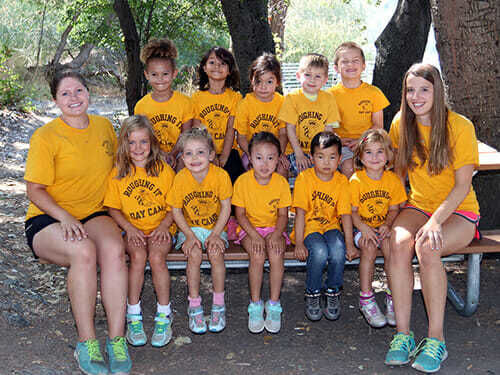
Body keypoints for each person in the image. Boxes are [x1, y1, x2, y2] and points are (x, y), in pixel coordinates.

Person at [24, 70, 131, 375]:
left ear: (89, 93)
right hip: (49, 217)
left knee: (113, 249)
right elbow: (34, 190)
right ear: (55, 100)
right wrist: (65, 217)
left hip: (94, 213)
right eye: (65, 94)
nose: (74, 98)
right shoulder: (45, 137)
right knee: (83, 252)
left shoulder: (103, 127)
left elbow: (120, 171)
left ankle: (117, 338)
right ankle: (87, 342)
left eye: (79, 91)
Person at [384, 63, 481, 373]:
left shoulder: (460, 126)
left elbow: (463, 185)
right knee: (397, 243)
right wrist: (391, 214)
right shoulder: (401, 123)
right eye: (410, 90)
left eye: (424, 89)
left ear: (437, 90)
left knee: (428, 247)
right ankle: (403, 336)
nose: (416, 96)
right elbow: (397, 174)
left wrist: (436, 221)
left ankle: (436, 339)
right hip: (418, 206)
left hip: (459, 211)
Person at [104, 115, 176, 348]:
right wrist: (129, 229)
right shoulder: (118, 173)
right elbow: (113, 209)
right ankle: (133, 314)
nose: (138, 148)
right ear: (124, 144)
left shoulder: (163, 170)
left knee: (156, 257)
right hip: (131, 230)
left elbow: (175, 207)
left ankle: (164, 314)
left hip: (162, 227)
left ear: (152, 143)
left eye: (143, 142)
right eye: (132, 142)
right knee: (137, 257)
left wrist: (164, 226)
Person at [166, 128, 232, 334]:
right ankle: (194, 304)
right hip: (190, 229)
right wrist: (188, 236)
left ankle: (218, 304)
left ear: (212, 155)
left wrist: (215, 234)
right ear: (182, 157)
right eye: (188, 153)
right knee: (193, 255)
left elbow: (226, 208)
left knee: (215, 253)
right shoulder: (180, 178)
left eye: (200, 152)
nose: (195, 158)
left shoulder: (220, 176)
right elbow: (176, 211)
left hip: (215, 228)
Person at [292, 131, 356, 322]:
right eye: (320, 157)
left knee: (337, 250)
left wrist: (350, 244)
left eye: (332, 157)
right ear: (312, 158)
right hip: (310, 228)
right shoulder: (304, 179)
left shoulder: (342, 181)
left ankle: (333, 291)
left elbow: (345, 215)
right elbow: (301, 214)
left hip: (331, 226)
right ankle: (312, 293)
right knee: (319, 252)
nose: (326, 162)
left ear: (339, 159)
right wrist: (298, 243)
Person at [232, 132, 292, 334]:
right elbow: (239, 214)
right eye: (258, 158)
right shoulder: (242, 182)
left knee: (276, 254)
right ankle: (255, 304)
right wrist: (255, 235)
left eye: (270, 158)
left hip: (274, 229)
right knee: (257, 255)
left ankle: (274, 304)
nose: (264, 164)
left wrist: (276, 234)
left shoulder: (281, 183)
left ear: (278, 159)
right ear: (249, 157)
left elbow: (283, 215)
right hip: (250, 229)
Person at [350, 129, 406, 328]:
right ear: (360, 157)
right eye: (369, 152)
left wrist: (386, 225)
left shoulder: (392, 180)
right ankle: (366, 298)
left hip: (381, 228)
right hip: (361, 228)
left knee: (391, 248)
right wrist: (364, 228)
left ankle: (393, 296)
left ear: (389, 155)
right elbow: (352, 213)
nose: (374, 157)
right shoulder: (356, 181)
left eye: (380, 152)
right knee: (369, 247)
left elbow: (394, 209)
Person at [329, 42, 390, 179]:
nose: (350, 65)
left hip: (369, 141)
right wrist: (338, 140)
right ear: (336, 68)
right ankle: (352, 200)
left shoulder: (374, 93)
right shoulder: (330, 96)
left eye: (355, 61)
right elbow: (327, 127)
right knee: (349, 167)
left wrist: (361, 140)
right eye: (345, 62)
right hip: (342, 145)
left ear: (363, 65)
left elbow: (378, 126)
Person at [278, 53, 340, 184]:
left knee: (324, 173)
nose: (312, 80)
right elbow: (290, 129)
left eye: (318, 76)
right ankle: (283, 202)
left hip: (320, 151)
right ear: (298, 76)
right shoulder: (292, 98)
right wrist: (299, 154)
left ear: (325, 80)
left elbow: (328, 132)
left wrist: (322, 156)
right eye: (307, 75)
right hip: (295, 150)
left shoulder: (329, 99)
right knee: (281, 168)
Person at [134, 38, 193, 171]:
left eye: (165, 74)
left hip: (179, 152)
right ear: (146, 75)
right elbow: (142, 137)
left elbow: (186, 135)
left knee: (184, 163)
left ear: (174, 74)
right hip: (151, 153)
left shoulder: (185, 103)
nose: (160, 79)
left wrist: (172, 154)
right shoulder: (141, 106)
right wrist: (159, 154)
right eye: (154, 74)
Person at [191, 46, 244, 183]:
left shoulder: (235, 98)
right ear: (204, 67)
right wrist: (211, 155)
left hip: (229, 152)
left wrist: (224, 157)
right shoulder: (196, 98)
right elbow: (198, 129)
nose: (217, 66)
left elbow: (231, 130)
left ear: (229, 70)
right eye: (212, 62)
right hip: (204, 150)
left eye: (223, 63)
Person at [234, 53, 289, 176]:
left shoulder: (282, 102)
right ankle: (255, 195)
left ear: (277, 82)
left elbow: (283, 134)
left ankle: (280, 195)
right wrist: (251, 154)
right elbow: (241, 137)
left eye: (269, 82)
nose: (263, 87)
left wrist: (278, 153)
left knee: (282, 168)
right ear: (251, 80)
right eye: (259, 81)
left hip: (275, 150)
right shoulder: (245, 104)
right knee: (253, 168)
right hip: (250, 151)